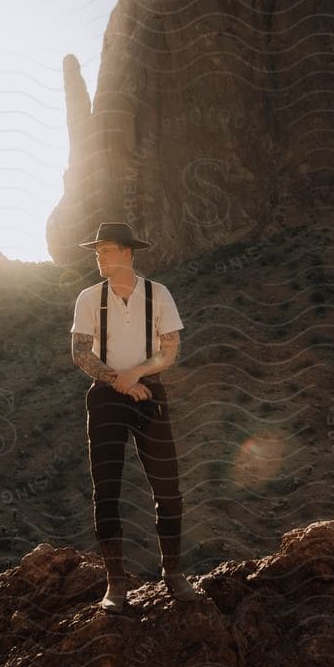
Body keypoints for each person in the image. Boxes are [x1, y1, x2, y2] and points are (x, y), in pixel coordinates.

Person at [70, 221, 202, 606]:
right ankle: (115, 584)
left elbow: (170, 347)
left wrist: (136, 374)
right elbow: (80, 353)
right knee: (106, 489)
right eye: (97, 253)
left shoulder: (157, 294)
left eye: (106, 250)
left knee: (169, 486)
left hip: (149, 391)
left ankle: (173, 574)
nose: (99, 258)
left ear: (127, 252)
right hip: (106, 396)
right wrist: (118, 380)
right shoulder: (89, 298)